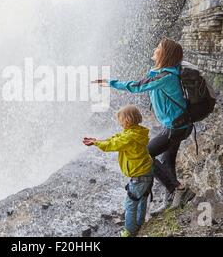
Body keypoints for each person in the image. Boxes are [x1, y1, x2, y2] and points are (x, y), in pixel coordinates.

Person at [94, 38, 195, 215]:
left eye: (158, 48)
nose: (155, 49)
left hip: (176, 127)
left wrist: (110, 82)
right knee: (167, 161)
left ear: (165, 54)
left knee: (145, 155)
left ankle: (178, 189)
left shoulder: (166, 76)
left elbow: (137, 87)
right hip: (177, 125)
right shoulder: (165, 72)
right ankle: (172, 199)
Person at [83, 105, 153, 237]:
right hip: (147, 171)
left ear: (127, 120)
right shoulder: (137, 132)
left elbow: (112, 145)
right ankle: (140, 223)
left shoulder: (129, 137)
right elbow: (116, 138)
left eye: (120, 120)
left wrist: (96, 143)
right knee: (142, 199)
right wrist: (97, 140)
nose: (119, 123)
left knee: (130, 204)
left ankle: (130, 231)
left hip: (139, 176)